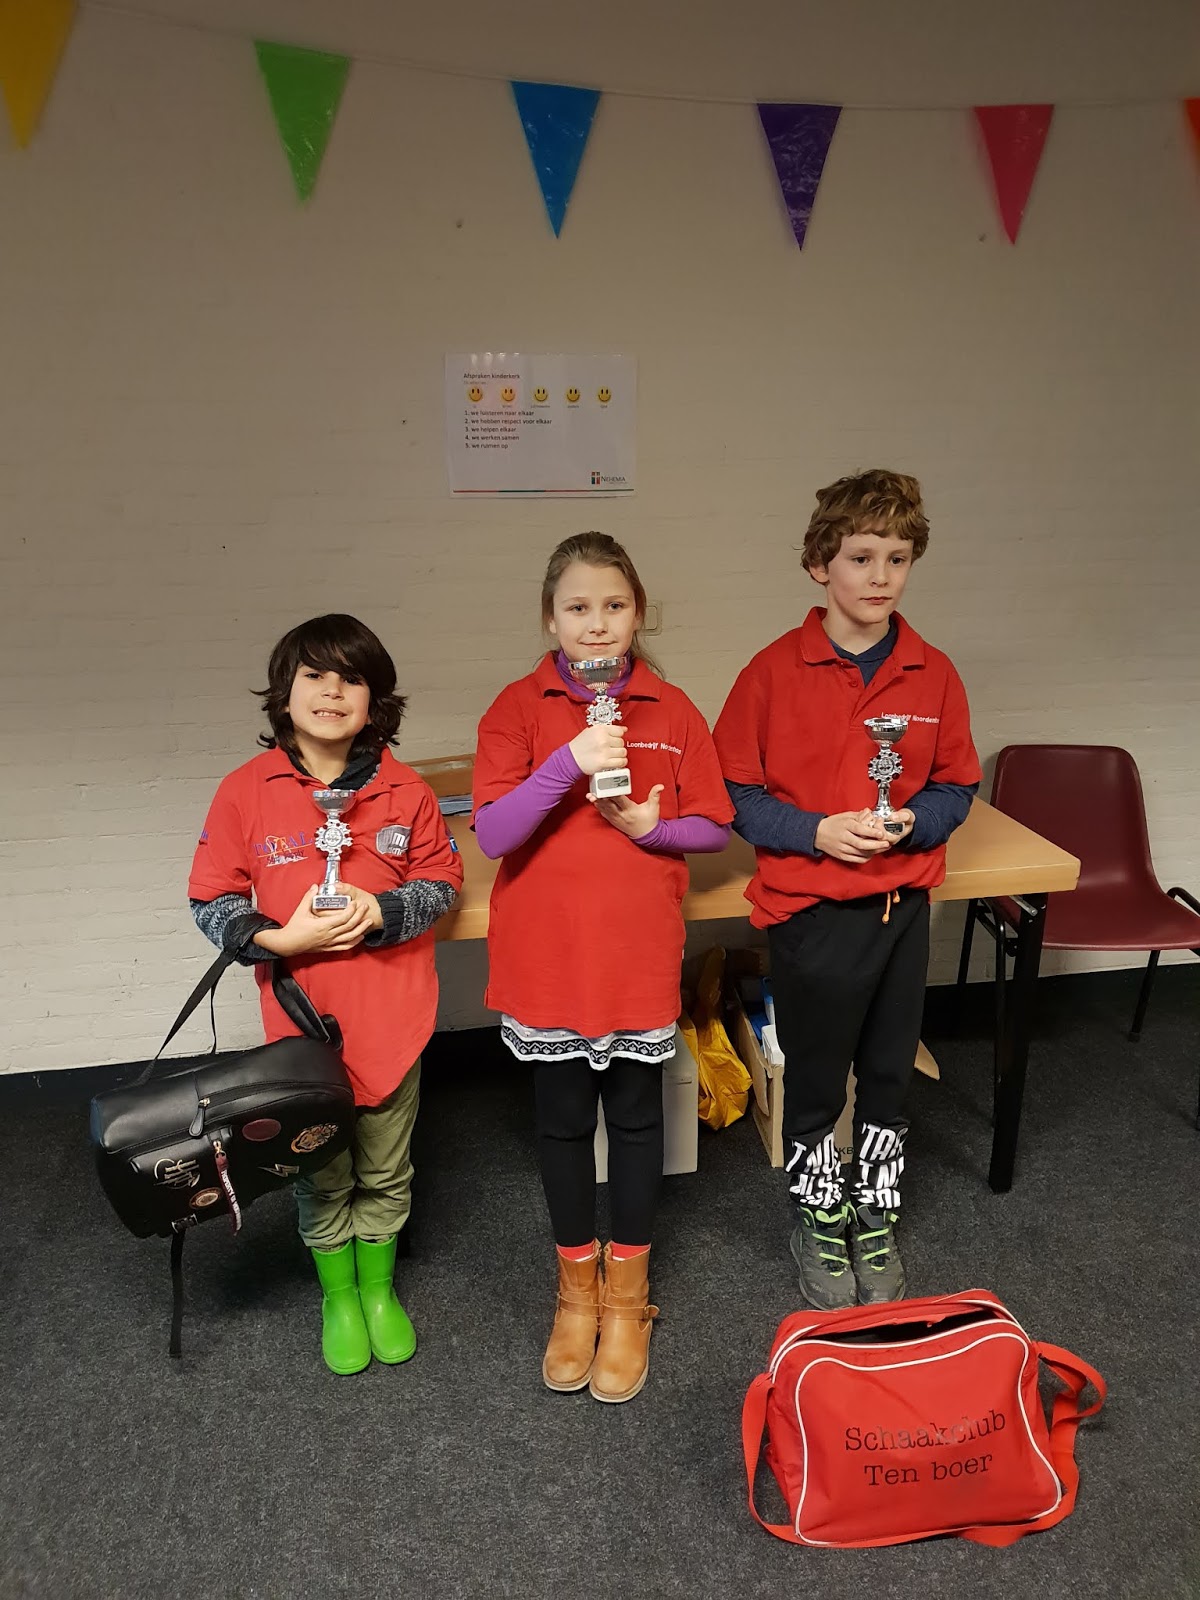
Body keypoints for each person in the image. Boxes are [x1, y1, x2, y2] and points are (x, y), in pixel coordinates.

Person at [472, 533, 733, 1403]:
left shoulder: (672, 707)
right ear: (550, 618)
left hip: (634, 953)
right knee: (559, 1125)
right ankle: (574, 1294)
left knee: (635, 1120)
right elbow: (495, 832)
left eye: (614, 606)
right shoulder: (517, 707)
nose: (597, 623)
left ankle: (627, 1300)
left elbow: (714, 825)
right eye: (578, 607)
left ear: (638, 613)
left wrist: (652, 830)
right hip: (547, 957)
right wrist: (567, 764)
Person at [713, 471, 980, 1310]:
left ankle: (877, 1207)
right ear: (819, 564)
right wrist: (816, 831)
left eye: (897, 558)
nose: (880, 576)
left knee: (890, 1076)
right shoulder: (770, 672)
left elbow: (957, 785)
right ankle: (818, 1212)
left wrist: (917, 822)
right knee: (818, 1081)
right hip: (812, 913)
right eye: (861, 557)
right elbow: (735, 794)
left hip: (902, 909)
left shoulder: (932, 672)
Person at [188, 614, 463, 1374]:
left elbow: (442, 880)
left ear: (375, 700)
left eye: (351, 677)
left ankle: (377, 1290)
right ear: (285, 693)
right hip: (301, 1035)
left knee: (386, 1168)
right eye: (314, 675)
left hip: (393, 1021)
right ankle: (338, 1296)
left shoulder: (407, 791)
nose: (332, 691)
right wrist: (280, 941)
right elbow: (211, 899)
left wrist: (383, 912)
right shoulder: (244, 792)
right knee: (320, 1171)